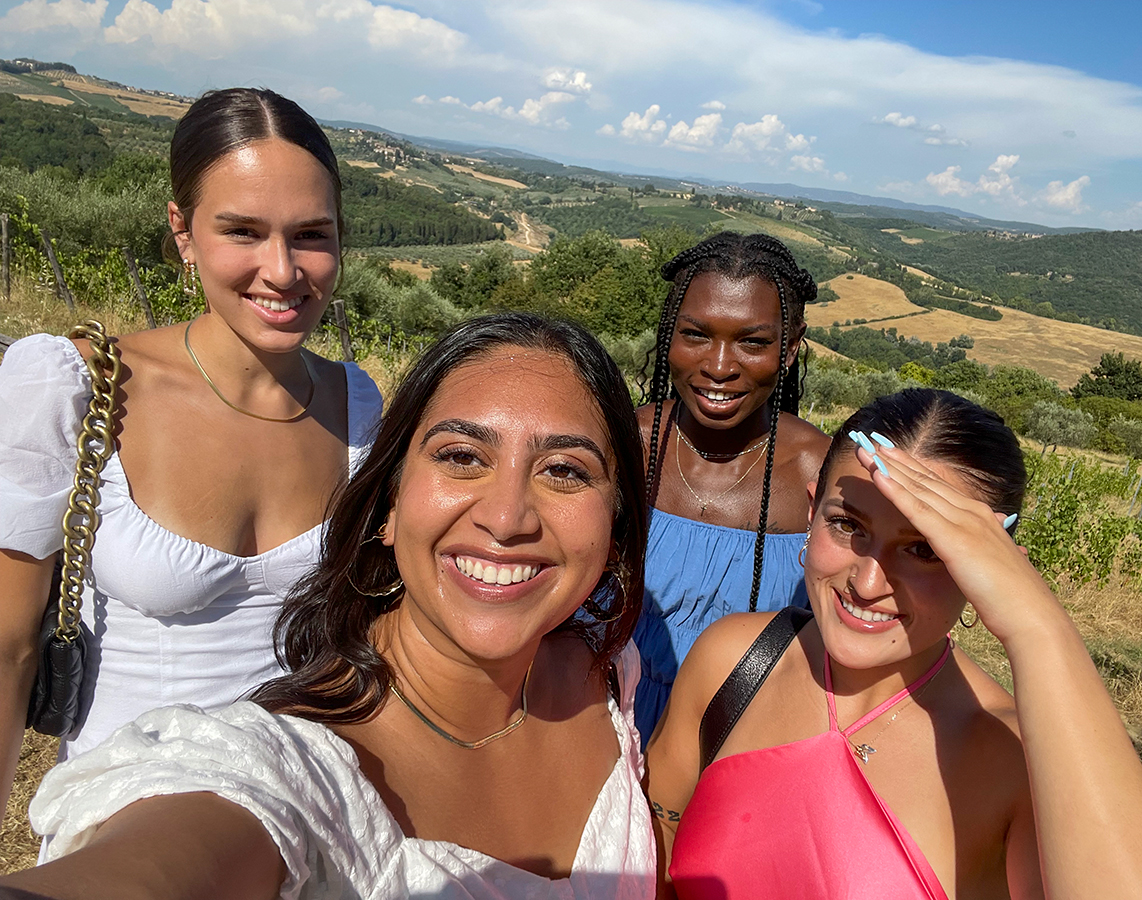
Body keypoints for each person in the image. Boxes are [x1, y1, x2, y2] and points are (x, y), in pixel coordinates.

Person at [0, 313, 656, 900]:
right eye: (461, 457)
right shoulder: (279, 770)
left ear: (616, 521)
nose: (508, 517)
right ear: (389, 507)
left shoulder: (605, 676)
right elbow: (171, 855)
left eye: (566, 470)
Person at [645, 388, 1142, 900]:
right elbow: (655, 860)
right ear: (811, 511)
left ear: (990, 570)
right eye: (847, 525)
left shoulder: (1014, 758)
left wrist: (1038, 627)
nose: (867, 584)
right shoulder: (732, 661)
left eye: (926, 550)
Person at [0, 87, 383, 815]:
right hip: (119, 830)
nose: (281, 270)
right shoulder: (75, 386)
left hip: (304, 821)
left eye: (311, 234)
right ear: (182, 232)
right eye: (242, 231)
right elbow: (7, 648)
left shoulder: (357, 405)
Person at [633, 231, 830, 741]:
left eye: (753, 342)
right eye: (696, 334)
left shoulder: (822, 474)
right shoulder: (622, 446)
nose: (719, 367)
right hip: (602, 728)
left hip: (747, 744)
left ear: (790, 348)